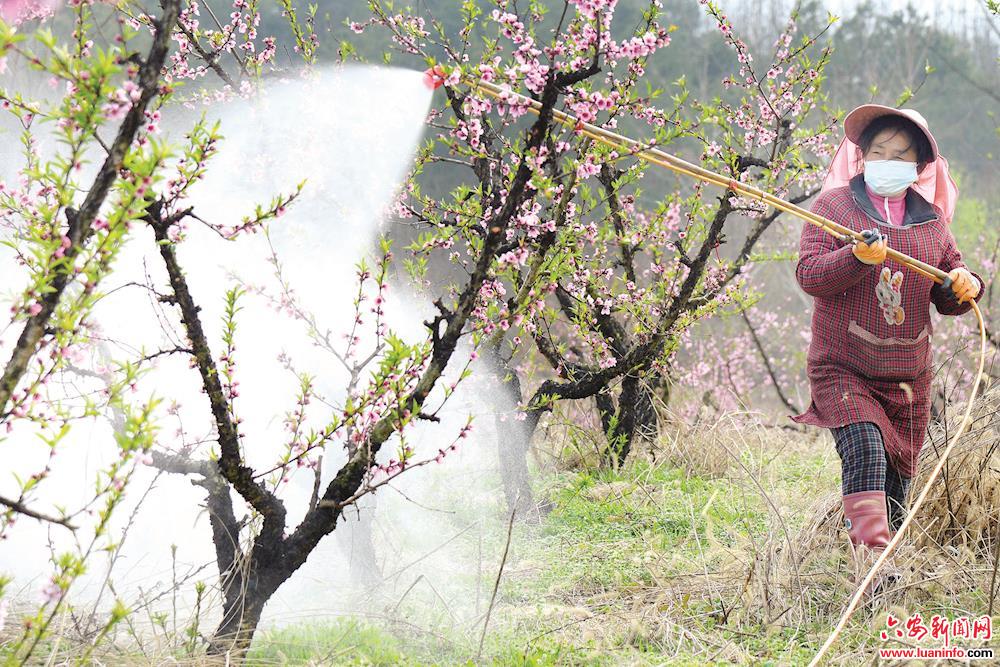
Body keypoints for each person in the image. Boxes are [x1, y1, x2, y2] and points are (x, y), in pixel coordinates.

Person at [792, 104, 984, 591]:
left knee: (896, 485)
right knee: (865, 448)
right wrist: (855, 256)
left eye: (900, 155)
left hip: (907, 378)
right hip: (843, 367)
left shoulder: (932, 223)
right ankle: (870, 566)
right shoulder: (834, 209)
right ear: (862, 156)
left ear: (919, 166)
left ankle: (889, 575)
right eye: (879, 152)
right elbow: (810, 275)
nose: (888, 162)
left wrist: (967, 284)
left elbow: (948, 290)